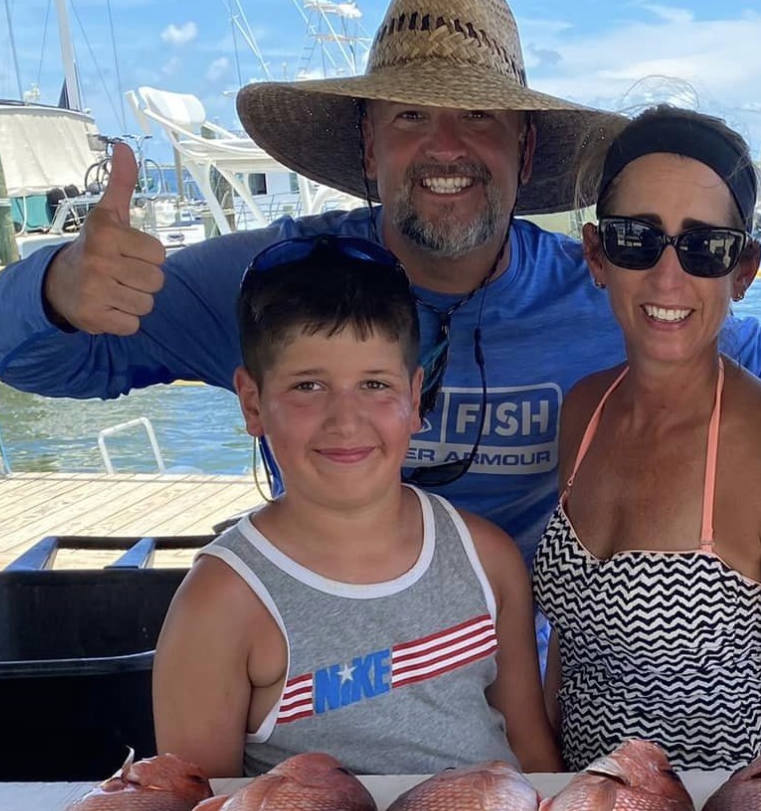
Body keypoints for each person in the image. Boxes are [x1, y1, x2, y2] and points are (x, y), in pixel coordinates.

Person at [0, 0, 761, 561]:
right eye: (411, 116)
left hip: (525, 693)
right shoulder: (275, 279)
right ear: (367, 143)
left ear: (526, 151)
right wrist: (53, 288)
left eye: (480, 120)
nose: (445, 147)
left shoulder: (606, 288)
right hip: (333, 670)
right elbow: (26, 358)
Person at [151, 237, 560, 779]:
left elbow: (532, 757)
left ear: (416, 399)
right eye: (308, 385)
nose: (345, 420)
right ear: (253, 403)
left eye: (375, 384)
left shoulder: (487, 559)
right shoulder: (220, 604)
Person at [533, 108, 761, 770]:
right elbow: (569, 649)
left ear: (743, 270)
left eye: (703, 246)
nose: (667, 276)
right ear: (597, 255)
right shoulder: (582, 412)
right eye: (637, 239)